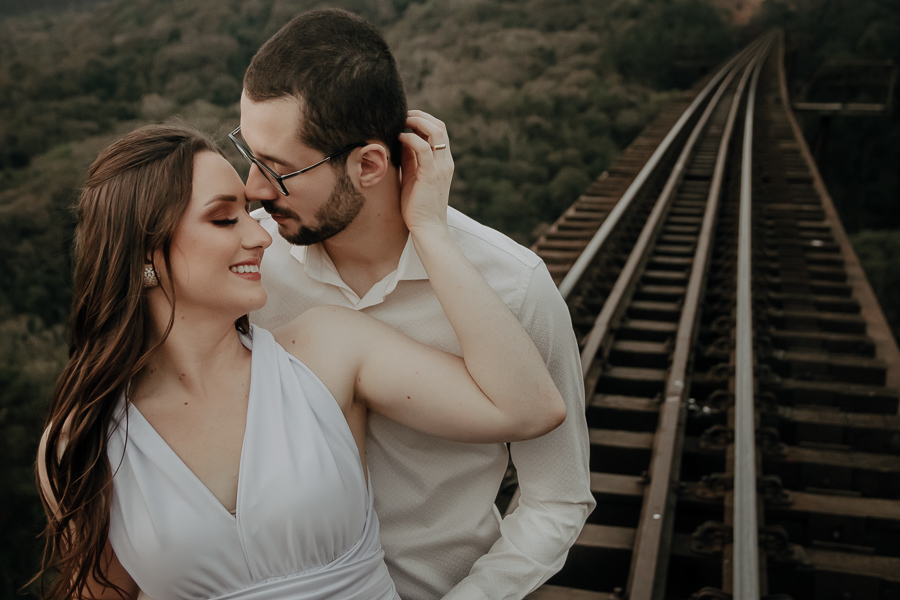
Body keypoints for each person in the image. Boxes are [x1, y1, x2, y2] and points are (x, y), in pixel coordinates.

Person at [35, 122, 566, 600]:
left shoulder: (325, 348)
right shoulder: (82, 438)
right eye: (223, 219)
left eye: (247, 213)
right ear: (143, 256)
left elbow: (531, 409)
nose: (258, 235)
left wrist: (429, 228)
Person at [239, 8, 595, 600]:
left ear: (368, 165)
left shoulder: (514, 285)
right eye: (248, 153)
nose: (252, 188)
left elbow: (556, 497)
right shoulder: (248, 266)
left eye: (277, 170)